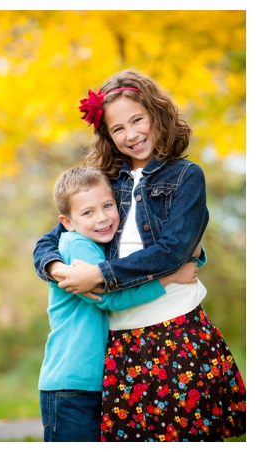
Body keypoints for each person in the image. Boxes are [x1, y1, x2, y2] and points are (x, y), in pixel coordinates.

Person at [33, 69, 245, 441]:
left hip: (177, 333)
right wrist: (54, 267)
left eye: (137, 120)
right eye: (118, 129)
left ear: (155, 114)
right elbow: (52, 237)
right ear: (108, 136)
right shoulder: (105, 182)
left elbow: (173, 251)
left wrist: (100, 274)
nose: (131, 134)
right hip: (123, 345)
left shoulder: (185, 177)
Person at [39, 165, 200, 442]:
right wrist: (171, 276)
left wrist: (194, 253)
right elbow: (111, 297)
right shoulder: (78, 247)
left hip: (86, 380)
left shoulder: (94, 243)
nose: (102, 218)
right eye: (88, 212)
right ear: (67, 221)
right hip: (70, 381)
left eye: (107, 206)